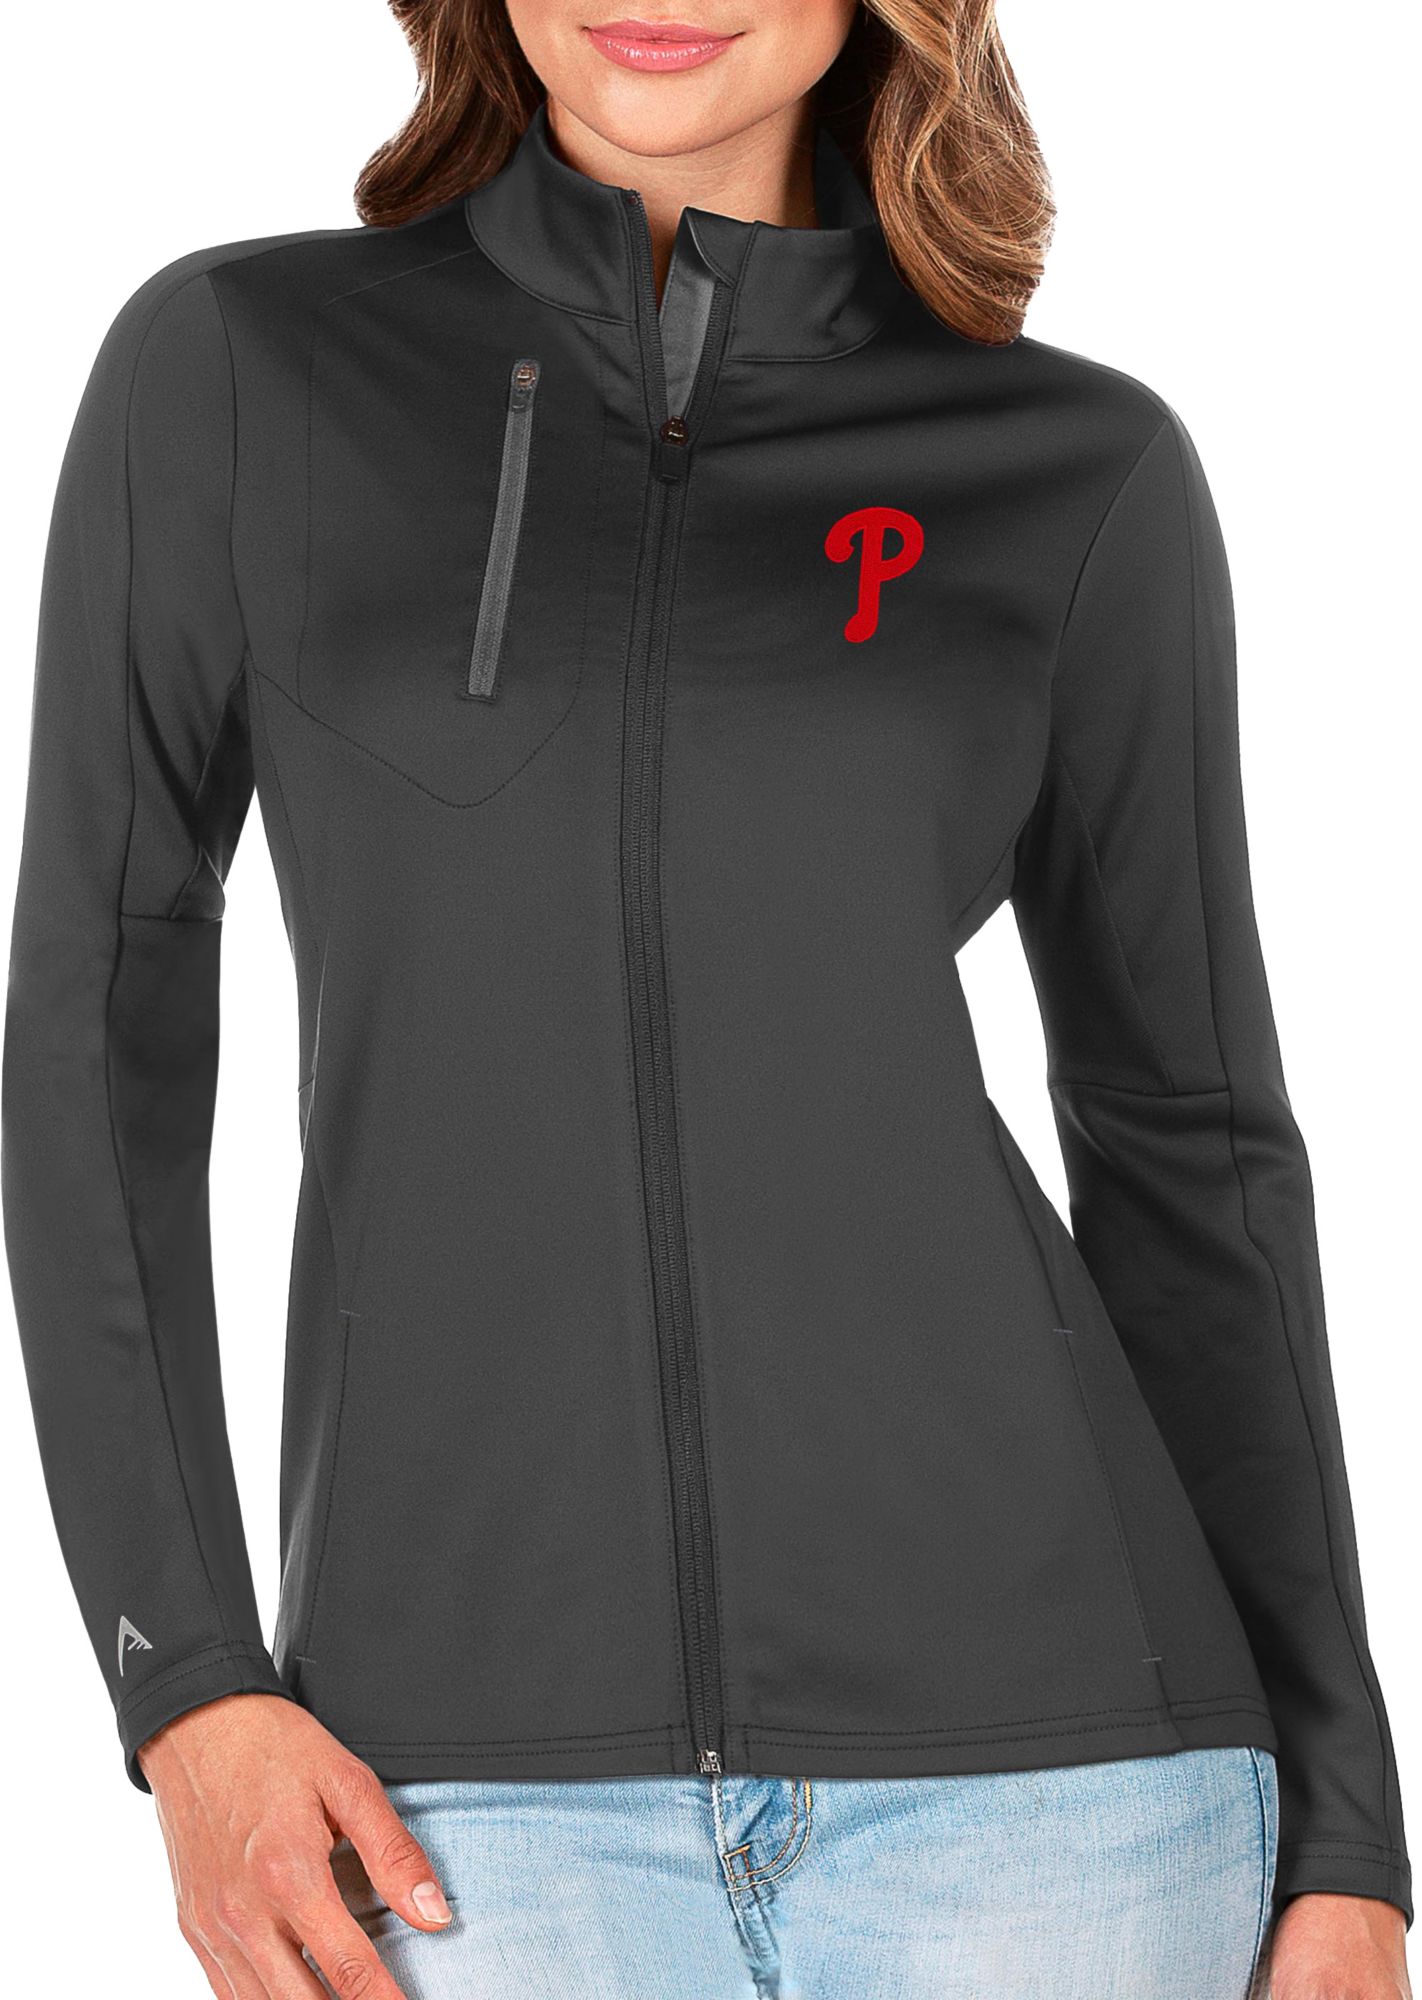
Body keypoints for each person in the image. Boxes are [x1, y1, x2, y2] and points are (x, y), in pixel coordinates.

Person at [2, 0, 1412, 1995]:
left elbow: (1194, 1154)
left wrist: (1348, 1830)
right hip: (454, 1805)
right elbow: (89, 1040)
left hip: (1063, 1794)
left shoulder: (1072, 464)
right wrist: (186, 1686)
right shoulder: (241, 365)